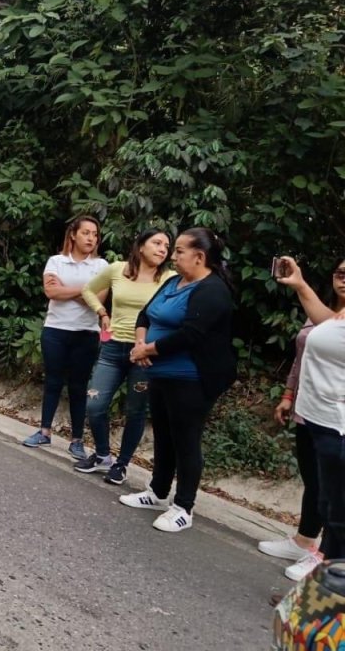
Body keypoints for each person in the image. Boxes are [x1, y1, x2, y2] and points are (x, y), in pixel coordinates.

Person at [120, 227, 237, 533]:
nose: (173, 255)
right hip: (160, 373)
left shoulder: (212, 290)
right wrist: (139, 344)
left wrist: (150, 349)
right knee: (163, 435)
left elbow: (191, 334)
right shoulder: (173, 282)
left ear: (199, 257)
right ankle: (158, 492)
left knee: (186, 440)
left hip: (192, 378)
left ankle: (183, 506)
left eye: (180, 250)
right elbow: (145, 314)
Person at [258, 258, 345, 581]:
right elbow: (322, 328)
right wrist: (300, 284)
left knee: (337, 511)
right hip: (317, 420)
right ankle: (315, 561)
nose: (343, 279)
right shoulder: (335, 316)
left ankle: (326, 582)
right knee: (322, 492)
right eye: (339, 272)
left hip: (338, 426)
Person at [73, 229, 175, 485]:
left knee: (136, 410)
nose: (163, 249)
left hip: (145, 353)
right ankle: (104, 454)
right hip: (112, 347)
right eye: (157, 243)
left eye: (167, 245)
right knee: (95, 405)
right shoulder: (117, 269)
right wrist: (102, 313)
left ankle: (122, 464)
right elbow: (88, 289)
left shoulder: (171, 279)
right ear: (141, 246)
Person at [23, 216, 108, 457]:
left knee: (79, 386)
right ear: (73, 235)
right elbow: (51, 291)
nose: (91, 238)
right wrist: (85, 290)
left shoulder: (101, 266)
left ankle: (77, 439)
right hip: (56, 330)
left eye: (95, 234)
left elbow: (98, 301)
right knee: (52, 381)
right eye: (86, 233)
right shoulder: (56, 261)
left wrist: (67, 290)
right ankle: (44, 431)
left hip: (86, 333)